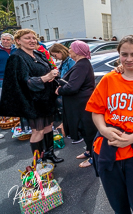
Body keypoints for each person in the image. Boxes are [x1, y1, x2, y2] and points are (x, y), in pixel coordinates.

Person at [86, 35, 133, 214]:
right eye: (124, 54)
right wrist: (104, 130)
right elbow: (96, 110)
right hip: (107, 149)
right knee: (118, 203)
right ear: (118, 55)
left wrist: (131, 138)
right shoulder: (109, 79)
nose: (129, 59)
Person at [0, 29, 63, 163]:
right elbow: (25, 82)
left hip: (46, 99)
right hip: (32, 102)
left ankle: (49, 154)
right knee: (37, 131)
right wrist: (46, 77)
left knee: (48, 127)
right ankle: (39, 161)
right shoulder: (17, 57)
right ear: (18, 41)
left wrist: (53, 75)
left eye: (34, 38)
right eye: (27, 38)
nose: (32, 41)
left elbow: (47, 69)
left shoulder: (38, 54)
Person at [56, 41, 97, 167]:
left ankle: (94, 157)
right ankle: (89, 151)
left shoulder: (81, 65)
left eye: (71, 49)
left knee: (88, 130)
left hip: (83, 104)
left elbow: (73, 87)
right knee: (84, 130)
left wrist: (59, 90)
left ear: (77, 51)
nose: (69, 51)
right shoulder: (81, 64)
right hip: (80, 104)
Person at [49, 43, 76, 134]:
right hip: (65, 88)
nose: (55, 58)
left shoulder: (70, 61)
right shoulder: (65, 61)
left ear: (60, 51)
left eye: (55, 55)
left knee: (69, 111)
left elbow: (73, 77)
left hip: (68, 89)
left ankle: (72, 132)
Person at [0, 33, 17, 139]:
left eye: (7, 39)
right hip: (1, 79)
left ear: (12, 41)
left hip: (15, 78)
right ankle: (3, 120)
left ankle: (15, 122)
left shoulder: (16, 50)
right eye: (3, 39)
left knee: (15, 100)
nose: (5, 41)